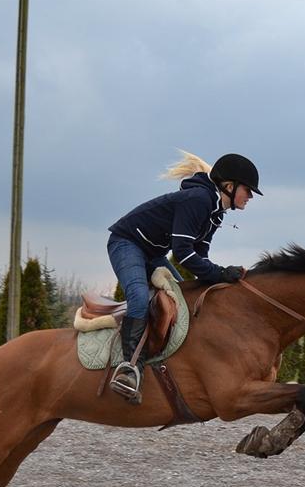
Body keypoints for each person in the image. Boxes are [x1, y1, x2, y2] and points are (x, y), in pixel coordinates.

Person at [105, 151, 262, 403]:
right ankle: (129, 369)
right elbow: (183, 254)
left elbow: (200, 256)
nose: (251, 196)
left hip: (153, 252)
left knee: (180, 299)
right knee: (136, 298)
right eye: (248, 190)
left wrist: (220, 277)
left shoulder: (215, 212)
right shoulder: (199, 200)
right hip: (127, 243)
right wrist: (220, 273)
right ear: (229, 187)